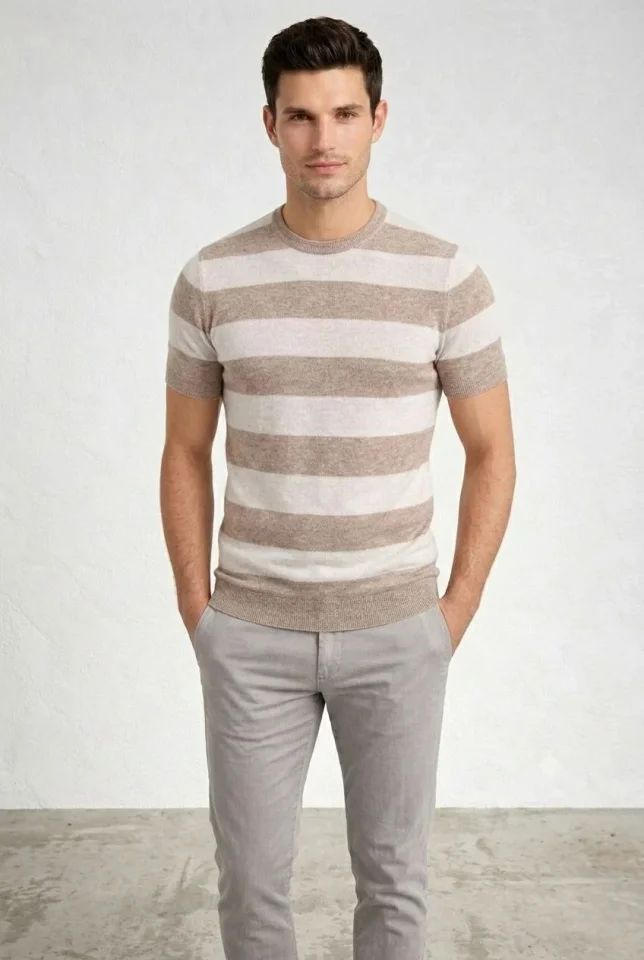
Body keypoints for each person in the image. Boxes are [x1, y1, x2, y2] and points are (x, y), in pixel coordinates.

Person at [160, 15, 516, 960]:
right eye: (302, 116)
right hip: (252, 632)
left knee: (394, 883)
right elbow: (184, 450)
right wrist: (199, 607)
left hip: (398, 630)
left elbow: (493, 451)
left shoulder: (446, 277)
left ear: (378, 119)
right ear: (269, 124)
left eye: (345, 114)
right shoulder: (212, 278)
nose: (325, 139)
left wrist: (453, 610)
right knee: (250, 886)